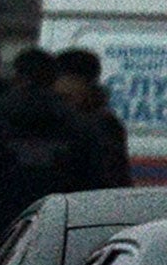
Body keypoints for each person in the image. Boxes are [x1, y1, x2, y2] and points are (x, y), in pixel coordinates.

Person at [0, 46, 101, 265]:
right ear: (53, 78)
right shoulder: (79, 126)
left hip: (0, 236)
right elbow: (95, 185)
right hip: (60, 237)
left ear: (16, 76)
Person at [54, 47, 132, 188]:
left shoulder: (102, 124)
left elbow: (112, 175)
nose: (59, 87)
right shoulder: (59, 118)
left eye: (69, 79)